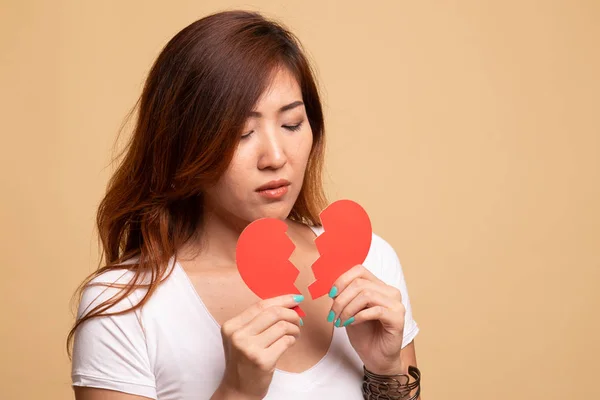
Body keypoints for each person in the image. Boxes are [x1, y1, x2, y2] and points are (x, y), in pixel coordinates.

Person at [68, 9, 421, 400]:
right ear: (183, 145)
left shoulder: (369, 261)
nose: (275, 156)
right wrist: (237, 391)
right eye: (242, 133)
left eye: (291, 124)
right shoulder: (125, 305)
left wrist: (386, 370)